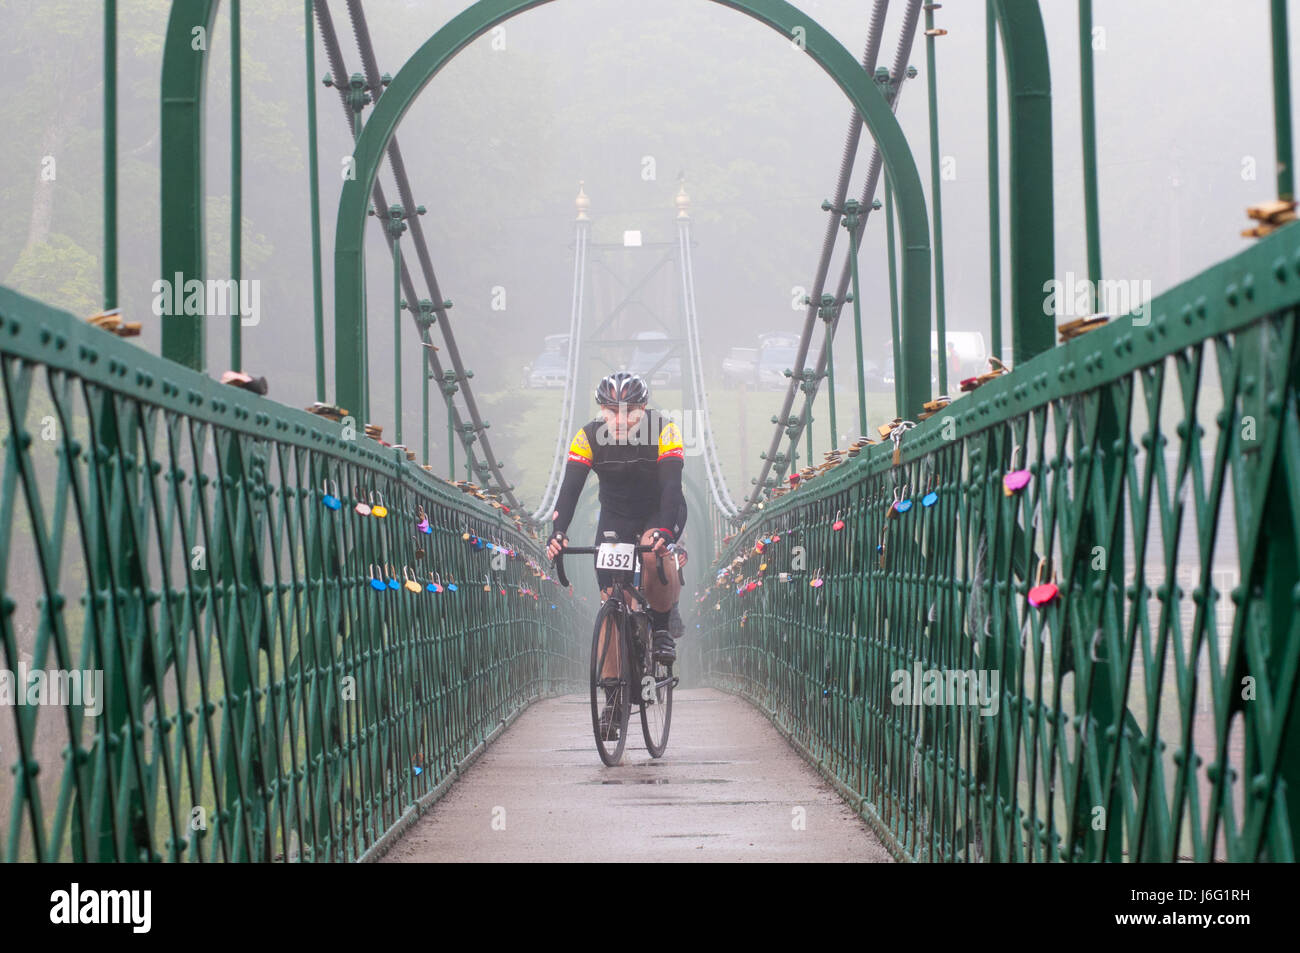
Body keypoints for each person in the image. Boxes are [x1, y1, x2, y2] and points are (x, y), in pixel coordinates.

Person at [545, 371, 686, 738]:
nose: (621, 421)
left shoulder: (665, 430)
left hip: (659, 510)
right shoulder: (587, 436)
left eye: (631, 412)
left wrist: (667, 532)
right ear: (601, 411)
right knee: (612, 603)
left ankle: (660, 625)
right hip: (616, 517)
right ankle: (613, 699)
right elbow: (570, 489)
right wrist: (557, 532)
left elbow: (672, 488)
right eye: (611, 412)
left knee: (654, 552)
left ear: (645, 408)